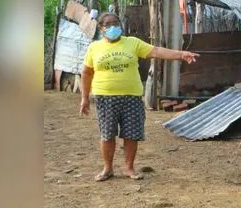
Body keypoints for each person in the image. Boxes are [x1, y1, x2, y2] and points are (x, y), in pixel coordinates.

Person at [80, 13, 199, 181]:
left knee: (131, 133)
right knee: (107, 134)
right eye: (108, 24)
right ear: (101, 28)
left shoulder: (132, 43)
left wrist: (180, 54)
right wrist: (84, 97)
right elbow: (86, 72)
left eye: (116, 23)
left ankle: (129, 168)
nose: (113, 27)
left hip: (132, 97)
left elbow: (156, 51)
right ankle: (107, 168)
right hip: (105, 97)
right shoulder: (95, 47)